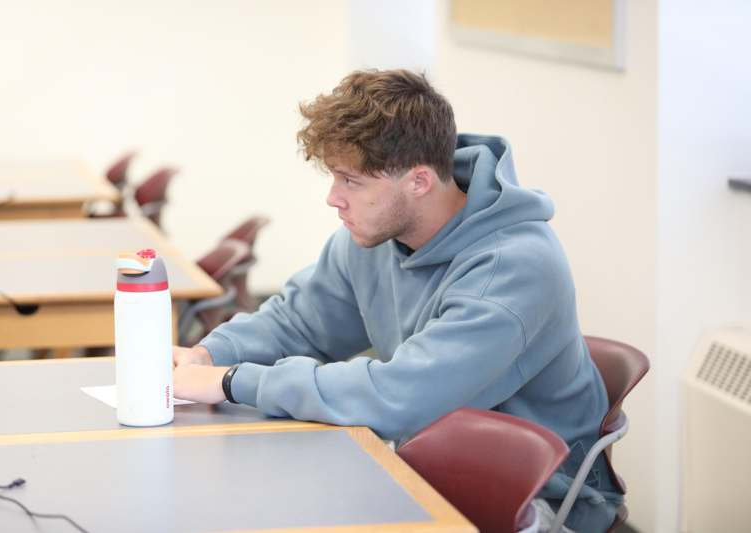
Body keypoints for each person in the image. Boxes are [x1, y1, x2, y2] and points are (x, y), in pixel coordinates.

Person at [173, 69, 622, 531]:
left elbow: (398, 396)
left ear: (419, 181)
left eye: (351, 181)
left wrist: (232, 381)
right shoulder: (374, 236)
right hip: (417, 458)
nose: (333, 198)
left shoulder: (513, 267)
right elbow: (300, 324)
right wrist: (209, 354)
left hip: (533, 497)